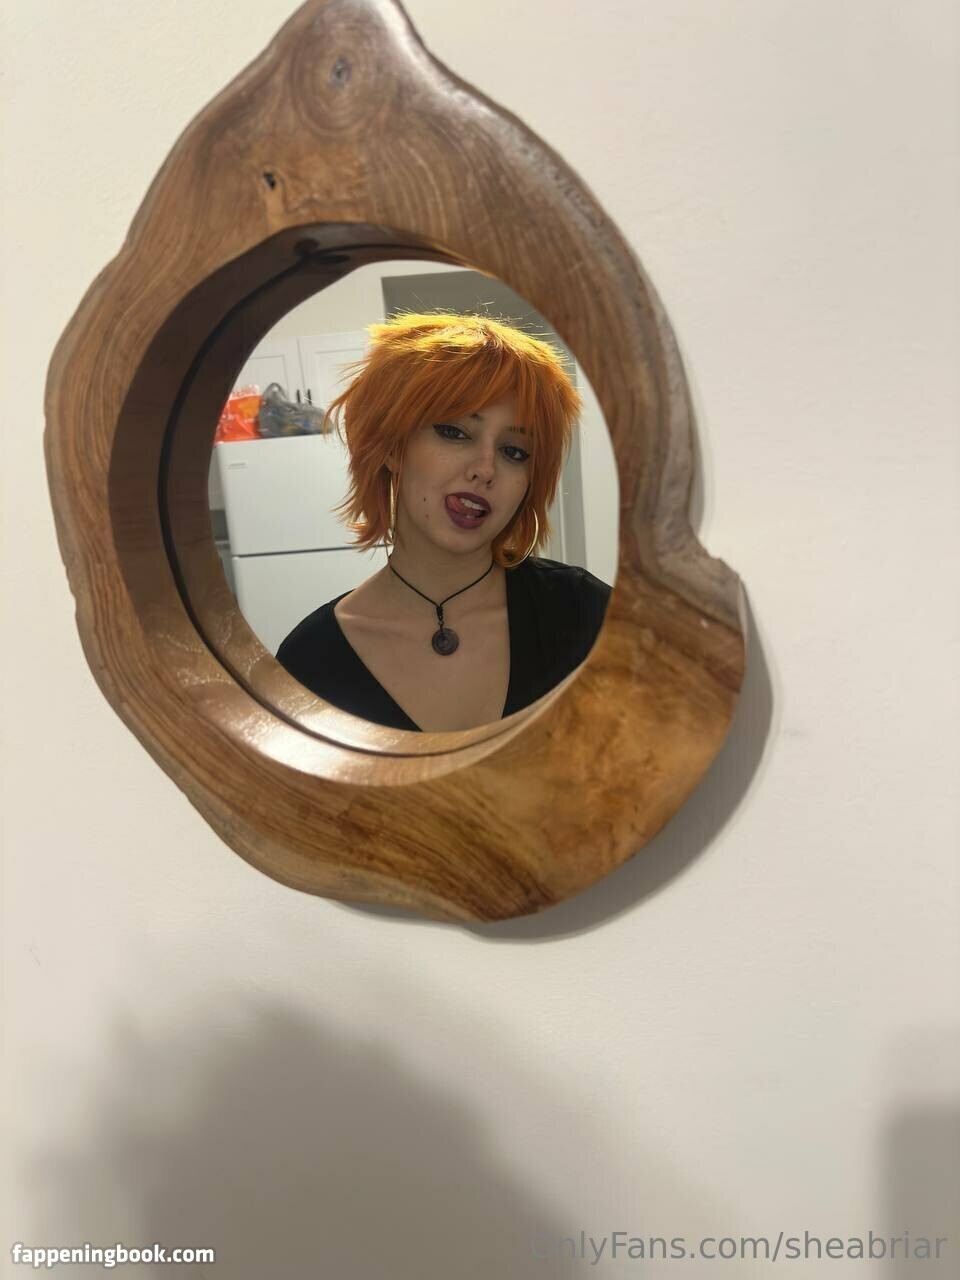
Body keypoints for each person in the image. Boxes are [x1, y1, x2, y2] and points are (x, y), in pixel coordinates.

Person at [276, 311, 612, 732]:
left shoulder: (585, 615)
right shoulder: (310, 662)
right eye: (455, 432)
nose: (485, 469)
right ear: (392, 446)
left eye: (514, 451)